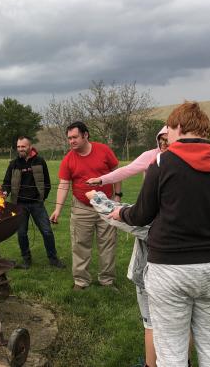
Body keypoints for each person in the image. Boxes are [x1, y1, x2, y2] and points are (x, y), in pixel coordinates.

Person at [111, 102, 210, 367]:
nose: (167, 138)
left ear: (179, 127)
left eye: (169, 131)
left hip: (170, 270)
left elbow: (142, 214)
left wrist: (119, 214)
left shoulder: (163, 161)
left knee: (171, 352)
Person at [86, 126, 169, 367]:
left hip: (155, 264)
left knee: (152, 323)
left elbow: (129, 218)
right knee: (181, 322)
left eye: (168, 140)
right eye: (161, 141)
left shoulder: (158, 215)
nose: (164, 145)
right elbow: (128, 169)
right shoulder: (153, 156)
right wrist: (102, 179)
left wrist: (97, 199)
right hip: (191, 265)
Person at [49, 121, 121, 291]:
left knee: (108, 244)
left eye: (74, 137)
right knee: (80, 245)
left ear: (85, 135)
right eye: (69, 138)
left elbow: (117, 172)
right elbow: (64, 185)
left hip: (107, 205)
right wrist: (58, 209)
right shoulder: (68, 159)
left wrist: (117, 196)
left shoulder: (103, 150)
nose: (71, 141)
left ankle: (107, 281)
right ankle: (81, 282)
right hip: (82, 207)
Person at [2, 136, 65, 269]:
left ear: (30, 146)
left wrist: (42, 197)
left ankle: (53, 259)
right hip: (19, 205)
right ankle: (26, 260)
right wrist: (4, 193)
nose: (20, 149)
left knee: (47, 231)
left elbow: (47, 182)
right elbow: (6, 183)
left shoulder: (39, 161)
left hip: (37, 204)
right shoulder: (13, 164)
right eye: (18, 147)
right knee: (21, 233)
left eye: (23, 146)